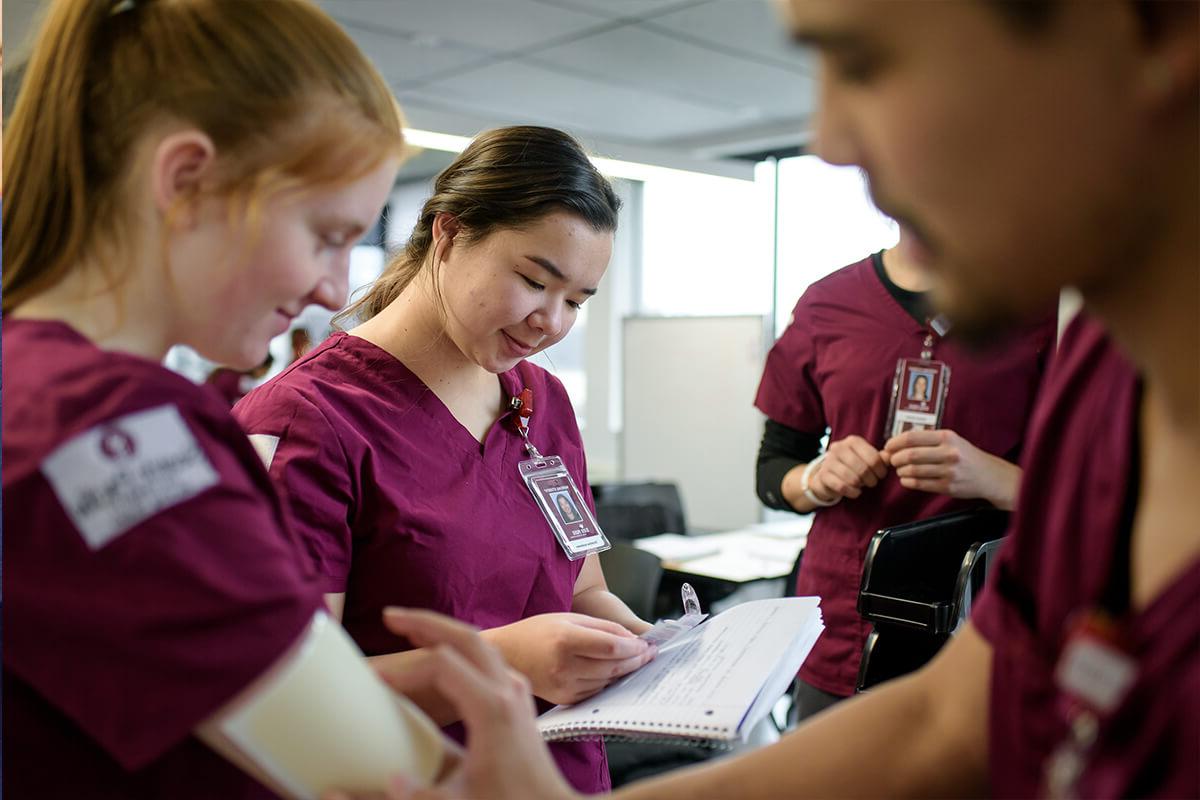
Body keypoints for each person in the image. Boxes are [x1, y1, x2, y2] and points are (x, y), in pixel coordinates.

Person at [335, 1, 1199, 798]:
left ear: (1153, 37)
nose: (826, 140)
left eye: (867, 64)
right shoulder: (1106, 371)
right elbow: (950, 717)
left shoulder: (1066, 342)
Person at [0, 0, 422, 796]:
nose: (335, 287)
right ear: (187, 179)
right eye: (327, 235)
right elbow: (378, 777)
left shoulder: (31, 382)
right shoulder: (107, 424)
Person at [232, 126, 654, 795]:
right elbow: (280, 691)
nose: (552, 320)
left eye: (575, 300)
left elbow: (582, 589)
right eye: (533, 280)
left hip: (560, 774)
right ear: (450, 237)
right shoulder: (308, 419)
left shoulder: (541, 400)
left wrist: (647, 646)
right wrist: (500, 662)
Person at [755, 234, 1053, 720]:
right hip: (844, 621)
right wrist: (816, 477)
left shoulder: (1038, 307)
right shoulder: (827, 304)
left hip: (986, 616)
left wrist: (995, 477)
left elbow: (1093, 493)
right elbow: (773, 470)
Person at [206, 353, 275, 407]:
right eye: (266, 370)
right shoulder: (238, 380)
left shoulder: (232, 373)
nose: (265, 374)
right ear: (258, 367)